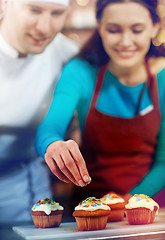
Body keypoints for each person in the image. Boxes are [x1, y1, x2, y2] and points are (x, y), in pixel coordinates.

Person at [35, 0, 165, 210]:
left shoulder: (163, 79)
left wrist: (127, 202)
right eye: (114, 30)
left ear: (155, 27)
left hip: (148, 208)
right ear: (100, 27)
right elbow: (49, 127)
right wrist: (53, 144)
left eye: (137, 30)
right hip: (89, 207)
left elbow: (164, 163)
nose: (125, 41)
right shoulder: (80, 72)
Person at [0, 0, 79, 223]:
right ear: (5, 3)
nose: (45, 27)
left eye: (57, 13)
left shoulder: (67, 54)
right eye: (34, 10)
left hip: (26, 192)